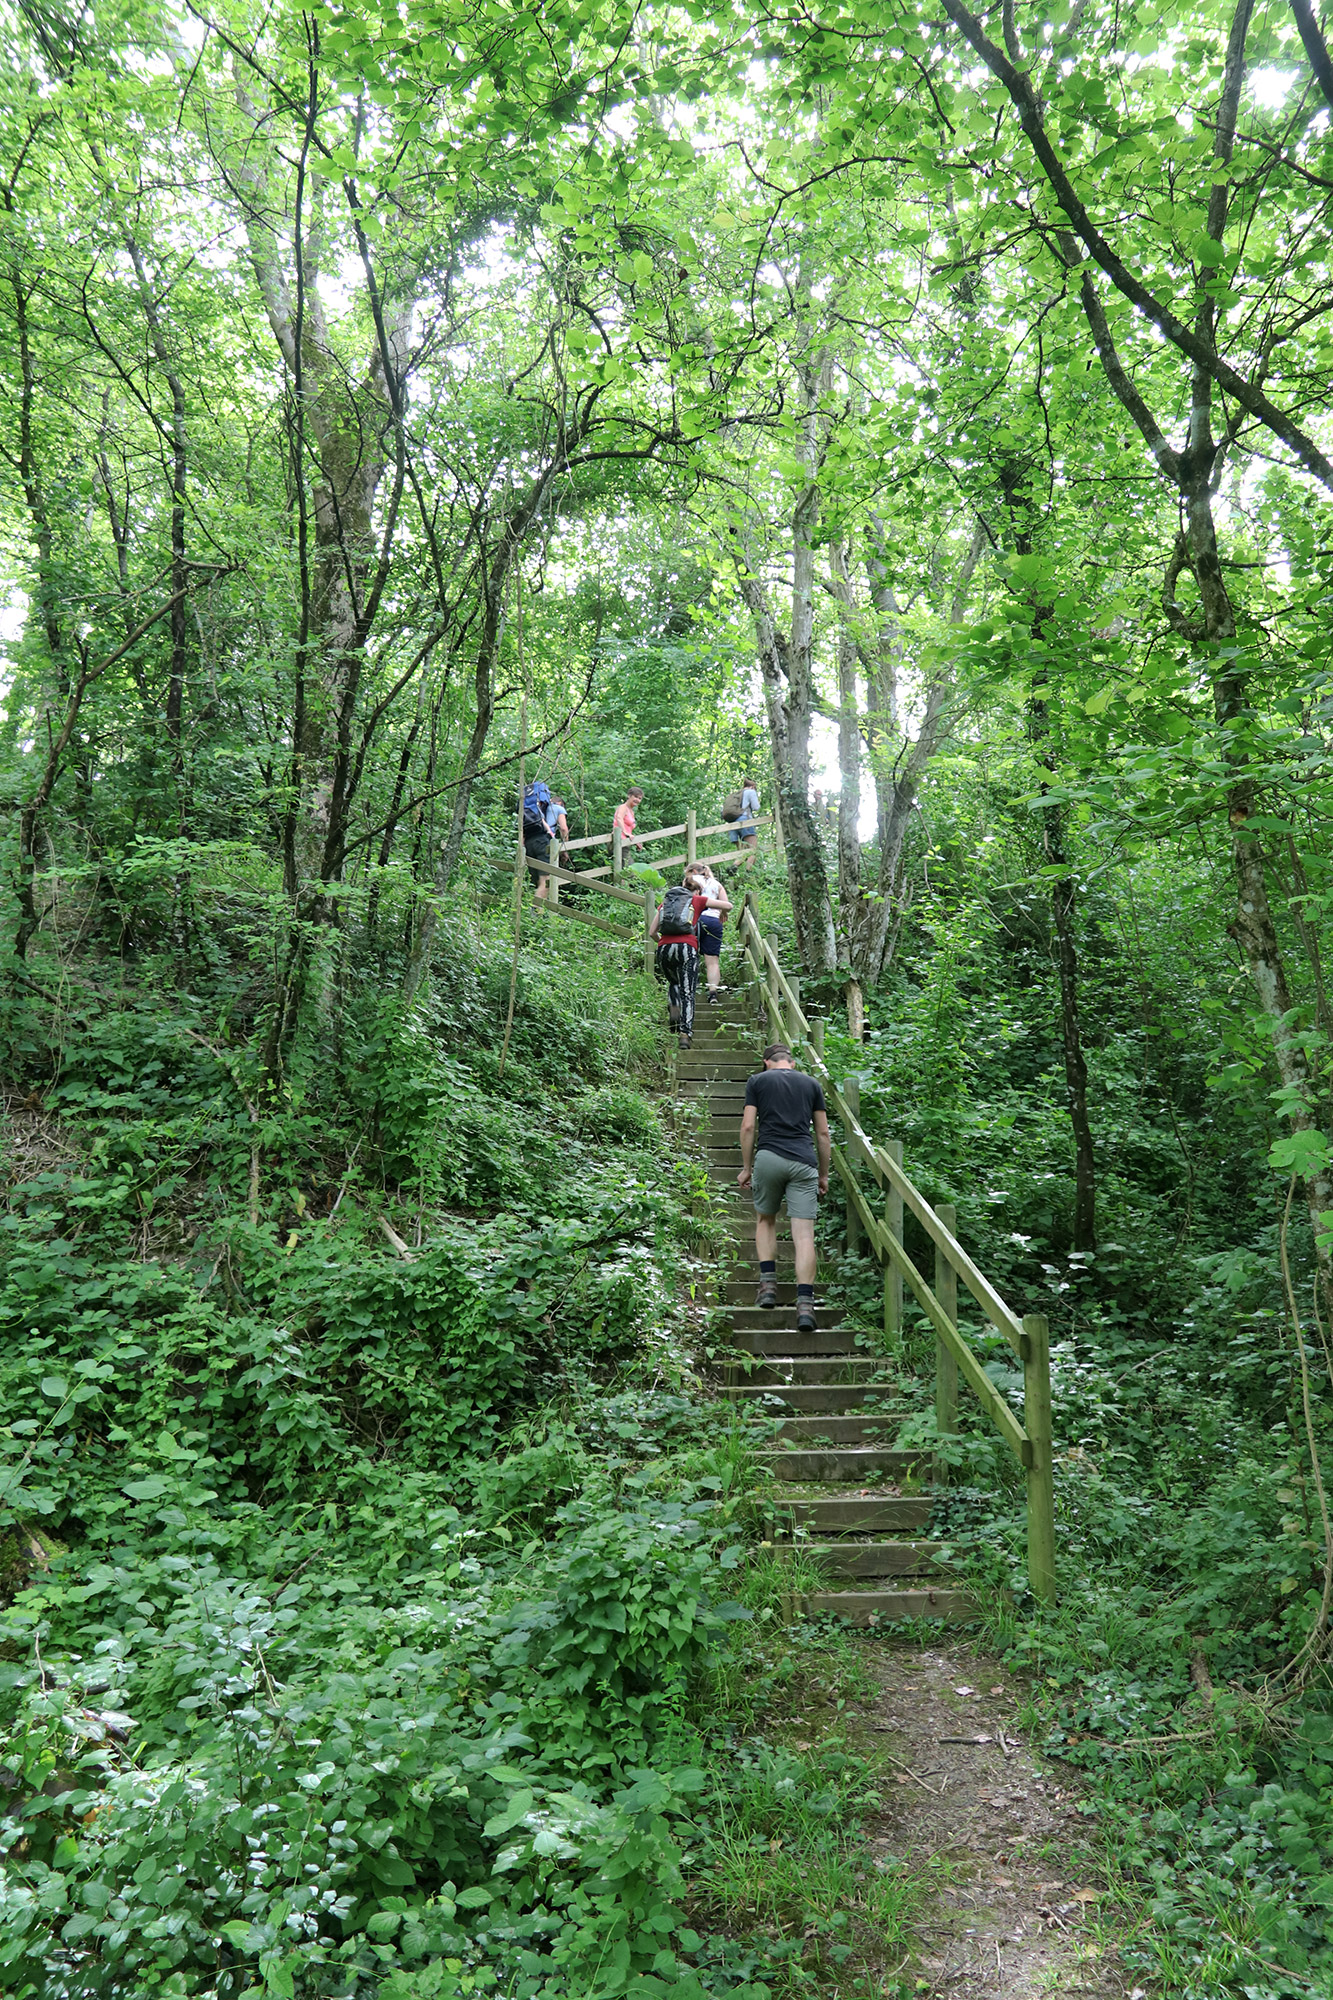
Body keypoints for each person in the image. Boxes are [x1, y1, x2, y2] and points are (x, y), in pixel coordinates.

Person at [738, 1043, 831, 1330]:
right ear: (791, 1063)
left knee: (765, 1220)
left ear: (767, 1062)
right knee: (804, 1235)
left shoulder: (757, 1081)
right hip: (804, 1161)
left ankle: (767, 1287)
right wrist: (823, 1175)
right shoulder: (811, 1083)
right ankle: (805, 1306)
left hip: (769, 1157)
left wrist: (746, 1167)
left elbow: (749, 1127)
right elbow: (823, 1133)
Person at [648, 870, 727, 1050]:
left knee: (674, 982)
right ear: (697, 891)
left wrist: (662, 943)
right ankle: (685, 1034)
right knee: (688, 991)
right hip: (687, 948)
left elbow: (652, 932)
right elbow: (727, 904)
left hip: (664, 949)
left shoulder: (666, 903)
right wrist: (721, 910)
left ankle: (674, 1005)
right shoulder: (696, 900)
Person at [684, 863, 731, 1002]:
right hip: (713, 921)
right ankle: (713, 994)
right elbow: (726, 904)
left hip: (694, 919)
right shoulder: (717, 884)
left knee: (689, 955)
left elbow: (683, 899)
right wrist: (722, 912)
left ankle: (690, 989)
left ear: (692, 871)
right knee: (712, 962)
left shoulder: (690, 881)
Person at [521, 780, 568, 902]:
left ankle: (538, 915)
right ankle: (534, 913)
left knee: (538, 883)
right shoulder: (558, 808)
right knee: (546, 882)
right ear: (561, 803)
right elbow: (563, 829)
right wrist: (565, 849)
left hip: (529, 843)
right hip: (543, 842)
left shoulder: (535, 810)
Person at [732, 776, 760, 865]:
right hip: (745, 822)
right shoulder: (751, 792)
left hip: (732, 825)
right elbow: (756, 807)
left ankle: (733, 867)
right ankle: (750, 875)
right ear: (752, 787)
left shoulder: (736, 795)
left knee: (744, 851)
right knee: (753, 850)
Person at [612, 787, 645, 862]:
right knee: (630, 869)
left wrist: (635, 841)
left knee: (625, 868)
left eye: (639, 798)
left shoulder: (631, 811)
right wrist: (625, 832)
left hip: (625, 843)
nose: (637, 800)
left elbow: (629, 830)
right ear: (629, 796)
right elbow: (619, 818)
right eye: (635, 797)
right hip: (619, 842)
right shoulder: (623, 807)